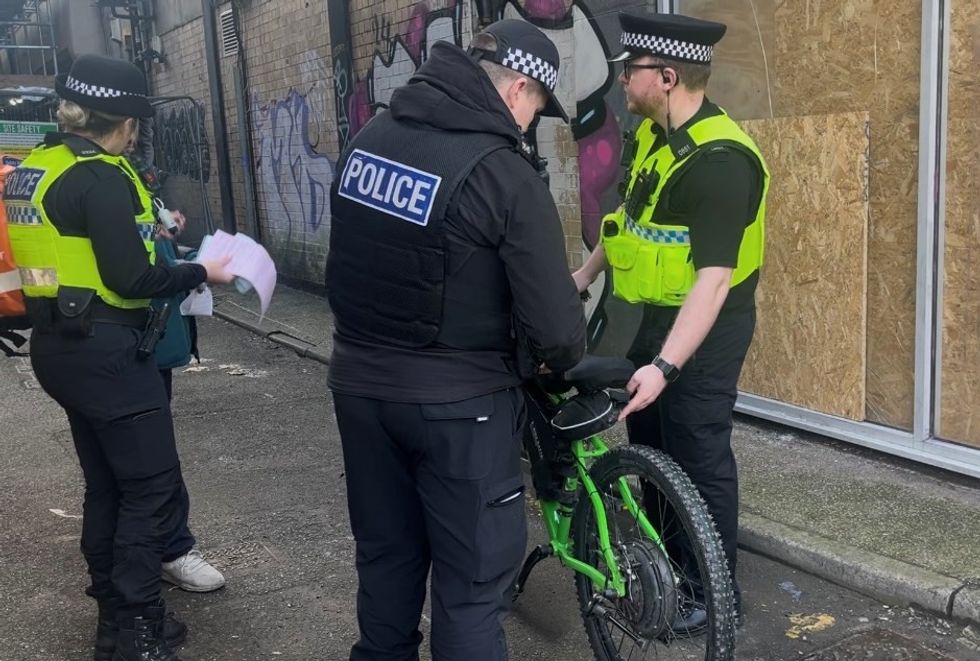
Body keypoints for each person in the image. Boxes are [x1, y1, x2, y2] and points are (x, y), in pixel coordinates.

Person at [326, 19, 586, 661]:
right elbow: (558, 333)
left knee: (386, 559)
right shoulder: (504, 176)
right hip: (460, 410)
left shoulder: (367, 141)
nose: (531, 124)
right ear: (517, 88)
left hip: (360, 390)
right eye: (535, 109)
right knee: (470, 591)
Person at [4, 54, 233, 661]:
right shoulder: (103, 174)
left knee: (107, 486)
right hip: (109, 353)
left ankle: (113, 615)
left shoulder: (37, 167)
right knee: (150, 490)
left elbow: (73, 245)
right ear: (126, 122)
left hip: (60, 349)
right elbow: (132, 278)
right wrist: (202, 270)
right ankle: (137, 631)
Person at [573, 12, 770, 634]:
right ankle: (670, 577)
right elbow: (627, 222)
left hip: (705, 334)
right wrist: (582, 276)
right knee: (652, 447)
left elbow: (713, 281)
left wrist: (666, 366)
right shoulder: (652, 134)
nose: (619, 82)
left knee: (698, 452)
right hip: (653, 321)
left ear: (664, 76)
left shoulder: (720, 162)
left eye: (627, 71)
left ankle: (715, 596)